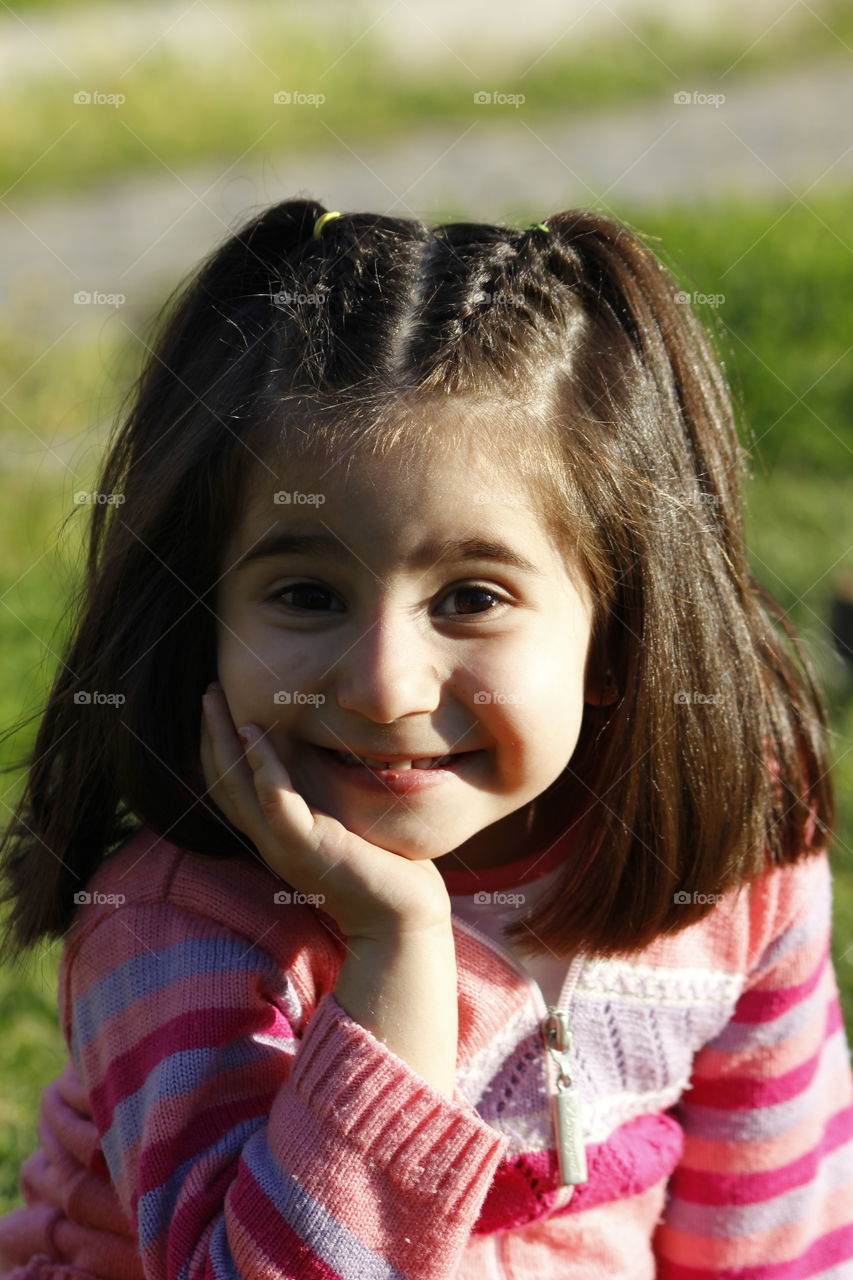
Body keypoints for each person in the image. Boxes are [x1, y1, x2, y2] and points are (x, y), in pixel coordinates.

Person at [0, 198, 850, 1280]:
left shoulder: (731, 858)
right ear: (201, 610)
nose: (385, 683)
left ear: (621, 615)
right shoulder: (180, 926)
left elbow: (773, 1235)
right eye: (306, 593)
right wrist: (394, 953)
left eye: (472, 596)